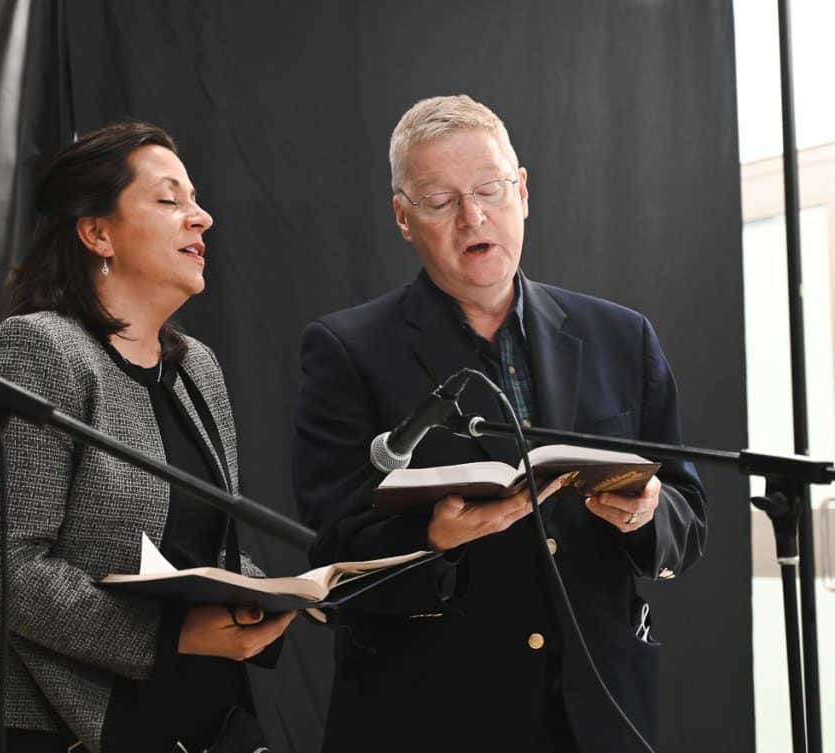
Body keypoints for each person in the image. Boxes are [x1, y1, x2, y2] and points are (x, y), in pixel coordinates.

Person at [293, 95, 707, 752]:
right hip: (429, 718)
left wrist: (648, 514)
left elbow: (688, 513)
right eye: (440, 201)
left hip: (597, 716)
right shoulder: (348, 350)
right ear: (404, 218)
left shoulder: (621, 337)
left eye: (490, 189)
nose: (473, 216)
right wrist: (435, 536)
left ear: (523, 191)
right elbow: (332, 549)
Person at [0, 122, 296, 753]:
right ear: (97, 232)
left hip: (201, 713)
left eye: (195, 199)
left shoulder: (196, 368)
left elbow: (194, 548)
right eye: (169, 200)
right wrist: (172, 636)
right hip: (62, 722)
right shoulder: (40, 349)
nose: (201, 218)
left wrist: (271, 593)